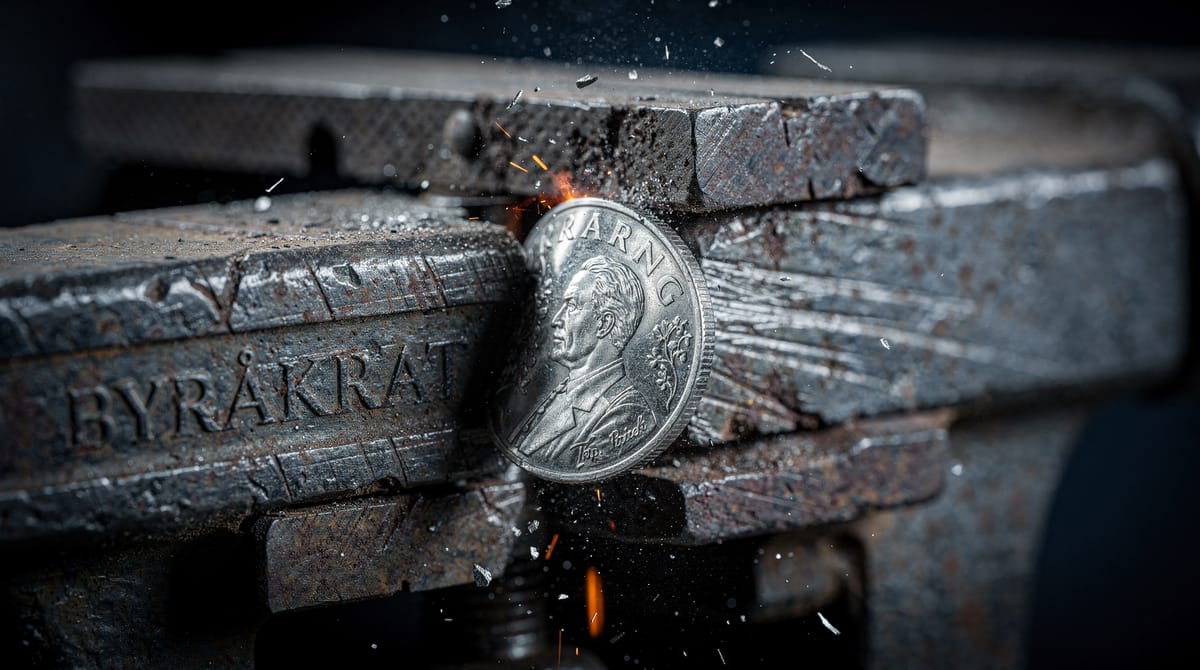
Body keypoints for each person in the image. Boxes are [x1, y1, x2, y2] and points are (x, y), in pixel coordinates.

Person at [507, 255, 656, 469]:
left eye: (572, 306)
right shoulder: (560, 391)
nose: (556, 320)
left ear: (604, 323)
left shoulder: (627, 412)